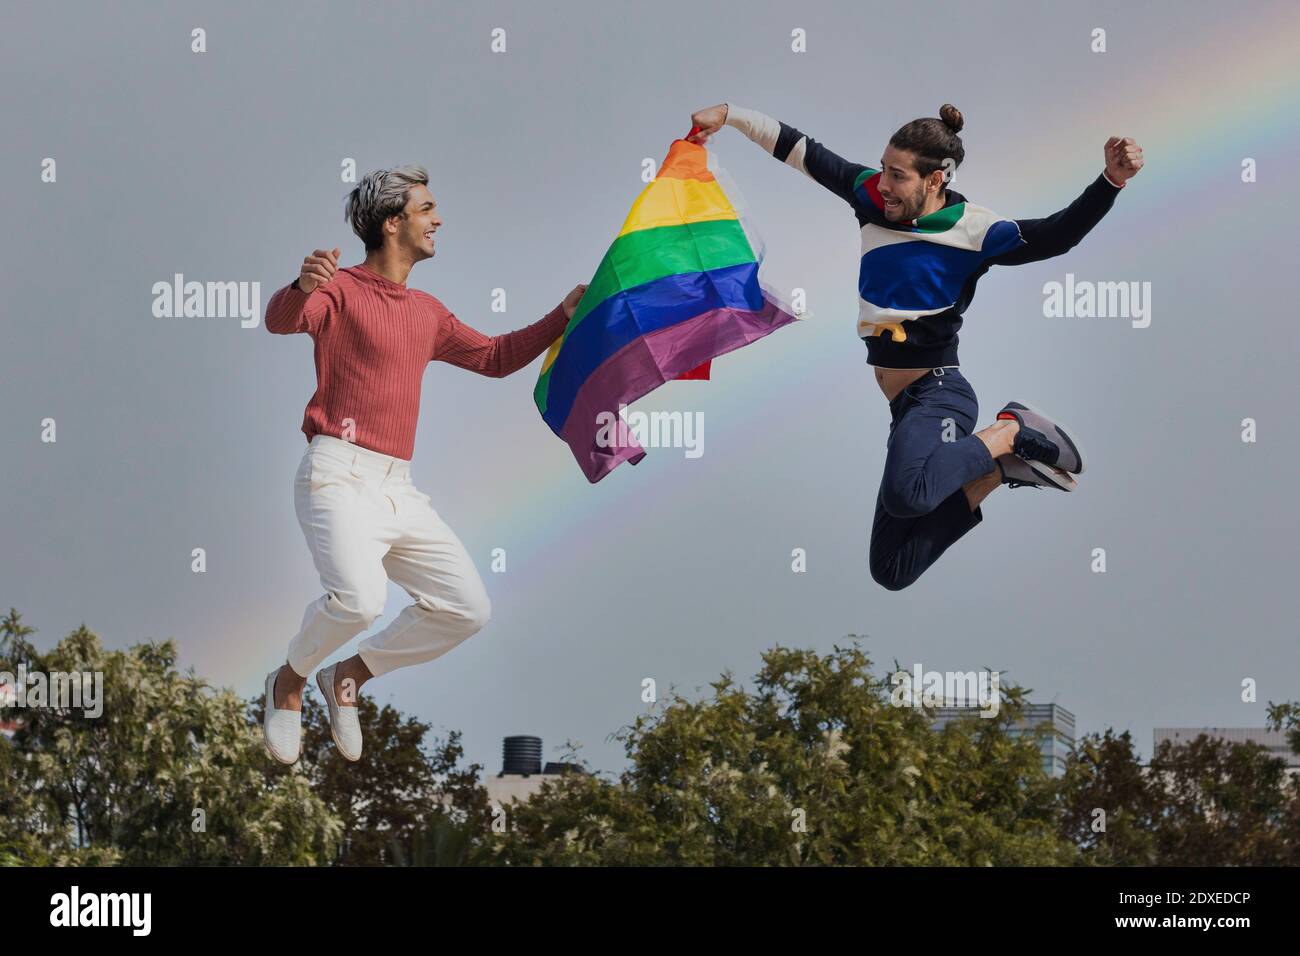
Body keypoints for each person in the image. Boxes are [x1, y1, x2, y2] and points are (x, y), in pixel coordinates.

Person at [687, 102, 1143, 590]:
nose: (883, 184)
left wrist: (1110, 181)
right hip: (905, 407)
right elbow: (799, 149)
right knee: (892, 568)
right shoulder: (869, 195)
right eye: (884, 169)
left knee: (912, 495)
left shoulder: (975, 230)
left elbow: (1057, 235)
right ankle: (1001, 468)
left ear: (935, 180)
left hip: (940, 392)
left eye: (897, 176)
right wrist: (731, 114)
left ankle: (1010, 433)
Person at [261, 164, 586, 763]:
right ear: (393, 223)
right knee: (359, 601)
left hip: (398, 488)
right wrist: (304, 285)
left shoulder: (428, 312)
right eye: (427, 209)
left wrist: (563, 313)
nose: (439, 220)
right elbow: (281, 320)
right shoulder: (339, 289)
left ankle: (348, 677)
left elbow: (494, 357)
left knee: (468, 609)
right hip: (336, 473)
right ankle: (289, 682)